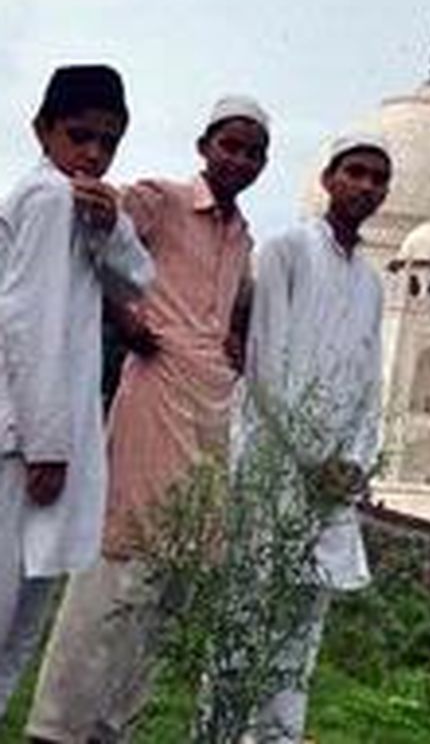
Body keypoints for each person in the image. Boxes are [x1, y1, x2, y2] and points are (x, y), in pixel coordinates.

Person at [24, 96, 270, 743]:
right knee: (115, 560)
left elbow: (235, 308)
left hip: (210, 413)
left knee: (171, 576)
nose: (239, 160)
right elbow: (87, 237)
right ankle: (58, 726)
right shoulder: (158, 199)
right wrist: (124, 320)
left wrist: (235, 338)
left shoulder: (244, 237)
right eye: (230, 146)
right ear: (204, 145)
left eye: (253, 152)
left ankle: (113, 729)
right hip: (153, 397)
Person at [0, 64, 155, 715]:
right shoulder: (44, 199)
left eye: (108, 142)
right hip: (25, 448)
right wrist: (46, 445)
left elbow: (137, 281)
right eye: (79, 136)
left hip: (46, 447)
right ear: (43, 130)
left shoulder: (84, 204)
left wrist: (111, 223)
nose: (93, 153)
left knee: (19, 627)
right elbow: (27, 322)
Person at [236, 132, 390, 743]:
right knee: (244, 619)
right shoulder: (286, 251)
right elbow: (265, 363)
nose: (367, 187)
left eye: (379, 179)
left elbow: (368, 383)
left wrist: (355, 463)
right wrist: (309, 456)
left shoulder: (372, 283)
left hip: (331, 486)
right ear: (327, 180)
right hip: (273, 463)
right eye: (356, 173)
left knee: (301, 630)